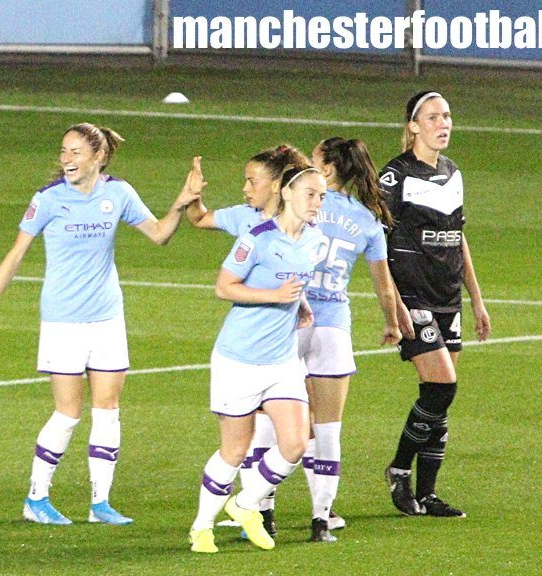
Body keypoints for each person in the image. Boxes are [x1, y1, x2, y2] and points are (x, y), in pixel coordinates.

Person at [0, 123, 203, 526]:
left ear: (99, 157)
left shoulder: (119, 193)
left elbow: (160, 235)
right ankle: (36, 498)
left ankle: (100, 504)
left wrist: (181, 202)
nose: (66, 160)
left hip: (108, 317)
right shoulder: (47, 200)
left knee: (108, 409)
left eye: (76, 153)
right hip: (62, 321)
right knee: (68, 413)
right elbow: (16, 254)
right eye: (63, 151)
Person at [187, 145, 346, 536]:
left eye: (322, 197)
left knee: (295, 442)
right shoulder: (254, 235)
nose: (317, 203)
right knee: (235, 450)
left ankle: (244, 504)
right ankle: (203, 525)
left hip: (281, 361)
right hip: (239, 357)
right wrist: (275, 298)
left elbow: (295, 277)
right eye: (311, 195)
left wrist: (302, 304)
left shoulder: (315, 240)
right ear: (287, 193)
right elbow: (224, 288)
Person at [380, 91, 491, 518]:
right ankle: (398, 469)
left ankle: (426, 494)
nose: (443, 124)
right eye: (433, 117)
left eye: (447, 115)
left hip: (448, 299)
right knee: (443, 385)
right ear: (412, 126)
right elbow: (378, 245)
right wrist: (393, 307)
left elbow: (457, 238)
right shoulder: (395, 177)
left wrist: (477, 300)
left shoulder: (452, 172)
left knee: (438, 399)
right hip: (414, 298)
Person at [295, 136, 403, 542]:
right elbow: (383, 284)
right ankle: (323, 514)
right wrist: (392, 323)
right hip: (334, 328)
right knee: (328, 428)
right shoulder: (367, 219)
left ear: (327, 170)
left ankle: (257, 505)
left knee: (277, 423)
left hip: (290, 323)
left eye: (313, 158)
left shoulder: (300, 205)